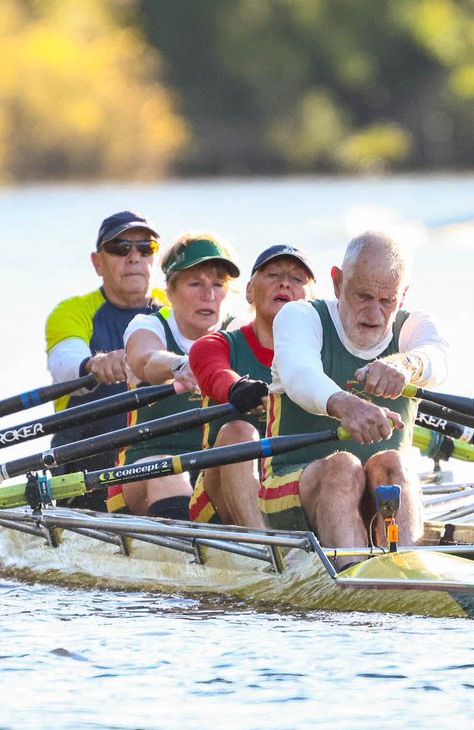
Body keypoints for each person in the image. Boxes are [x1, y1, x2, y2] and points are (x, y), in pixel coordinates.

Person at [262, 231, 449, 564]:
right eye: (363, 296)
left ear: (402, 295)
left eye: (387, 301)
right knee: (344, 467)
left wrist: (404, 365)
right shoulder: (300, 317)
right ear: (337, 283)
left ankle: (404, 568)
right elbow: (299, 375)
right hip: (289, 489)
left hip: (381, 489)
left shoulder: (414, 328)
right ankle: (357, 574)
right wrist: (346, 406)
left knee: (393, 462)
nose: (374, 313)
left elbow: (438, 359)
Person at [108, 232, 239, 520]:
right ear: (169, 291)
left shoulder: (239, 331)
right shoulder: (148, 326)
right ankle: (186, 558)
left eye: (218, 284)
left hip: (213, 468)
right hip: (146, 469)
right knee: (168, 468)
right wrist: (180, 365)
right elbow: (147, 360)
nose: (209, 295)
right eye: (195, 284)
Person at [44, 211, 167, 511]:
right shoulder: (73, 311)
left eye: (145, 248)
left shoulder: (175, 308)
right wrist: (93, 366)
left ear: (155, 259)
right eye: (120, 248)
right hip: (90, 468)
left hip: (161, 458)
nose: (134, 257)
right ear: (97, 262)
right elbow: (64, 361)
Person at [188, 244, 317, 527]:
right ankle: (263, 546)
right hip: (218, 501)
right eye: (272, 274)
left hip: (293, 483)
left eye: (297, 279)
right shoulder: (217, 344)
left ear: (312, 300)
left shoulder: (323, 351)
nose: (284, 282)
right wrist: (237, 388)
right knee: (238, 431)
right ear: (249, 291)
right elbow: (213, 370)